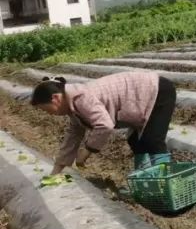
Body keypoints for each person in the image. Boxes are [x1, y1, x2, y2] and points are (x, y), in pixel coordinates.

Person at [31, 72, 177, 176]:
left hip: (156, 90)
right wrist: (57, 169)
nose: (49, 113)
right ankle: (145, 179)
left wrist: (86, 151)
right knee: (135, 141)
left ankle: (165, 182)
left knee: (152, 140)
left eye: (46, 109)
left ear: (55, 98)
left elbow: (104, 124)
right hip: (141, 97)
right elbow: (73, 136)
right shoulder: (72, 106)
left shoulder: (81, 97)